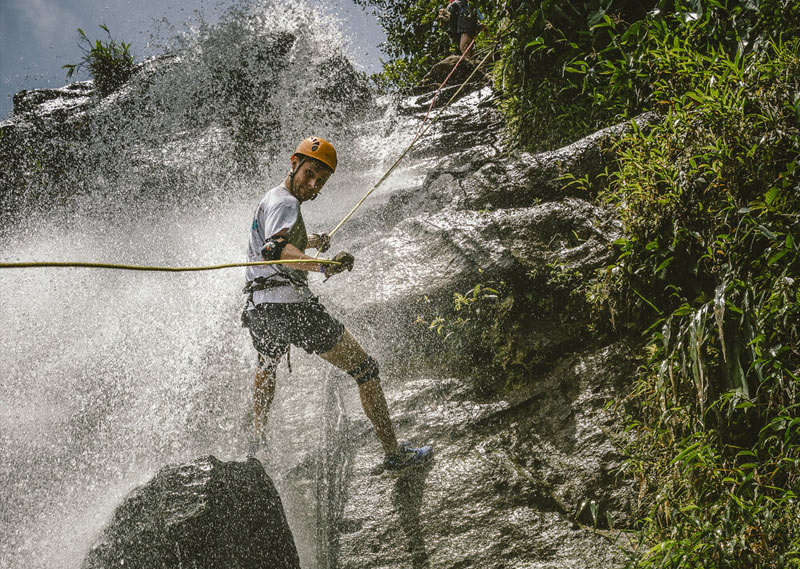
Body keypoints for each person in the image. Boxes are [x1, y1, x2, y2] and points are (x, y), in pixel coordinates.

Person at [241, 136, 433, 473]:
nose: (313, 184)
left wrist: (313, 242)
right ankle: (393, 455)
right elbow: (275, 250)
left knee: (267, 365)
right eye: (310, 173)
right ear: (294, 162)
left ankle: (258, 441)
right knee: (365, 369)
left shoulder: (273, 199)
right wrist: (323, 264)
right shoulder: (286, 204)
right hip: (291, 308)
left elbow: (279, 242)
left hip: (260, 309)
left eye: (321, 181)